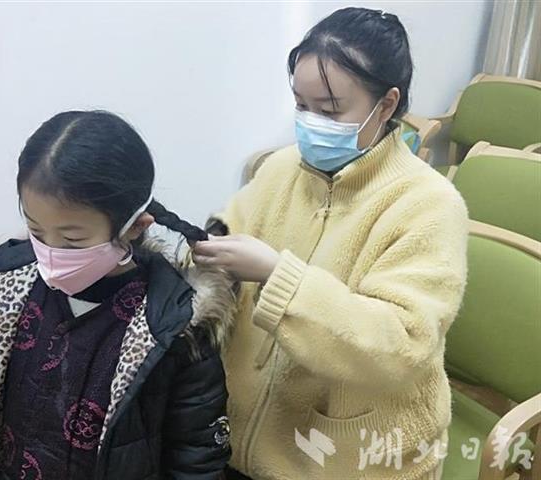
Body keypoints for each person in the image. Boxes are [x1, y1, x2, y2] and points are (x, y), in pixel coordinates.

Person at [193, 7, 468, 480]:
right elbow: (230, 227)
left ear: (386, 105)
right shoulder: (282, 168)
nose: (311, 122)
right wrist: (203, 247)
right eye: (301, 105)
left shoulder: (429, 205)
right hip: (240, 441)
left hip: (347, 458)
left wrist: (278, 276)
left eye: (330, 110)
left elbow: (402, 344)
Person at [0, 110, 233, 480]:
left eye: (72, 240)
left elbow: (196, 457)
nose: (50, 254)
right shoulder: (10, 290)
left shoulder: (173, 329)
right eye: (37, 232)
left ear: (134, 226)